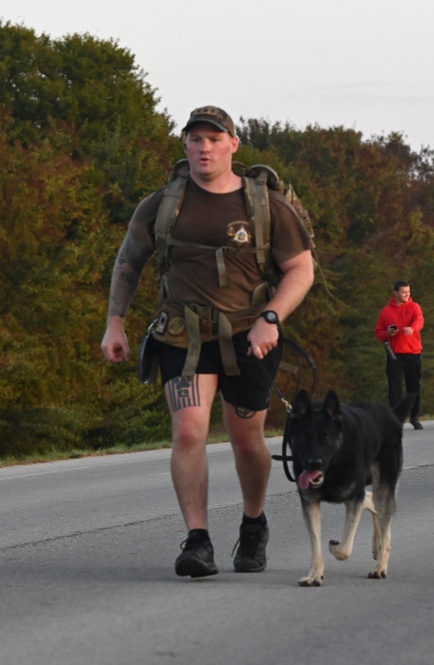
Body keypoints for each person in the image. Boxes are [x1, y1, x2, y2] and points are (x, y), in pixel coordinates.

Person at [100, 106, 315, 578]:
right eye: (196, 139)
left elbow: (302, 269)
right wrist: (115, 322)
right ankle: (197, 541)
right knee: (189, 431)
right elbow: (129, 262)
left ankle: (253, 524)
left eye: (215, 139)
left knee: (246, 439)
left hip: (249, 336)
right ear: (185, 146)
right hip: (183, 335)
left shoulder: (266, 205)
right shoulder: (162, 204)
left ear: (233, 145)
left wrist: (271, 318)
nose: (205, 148)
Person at [375, 280, 424, 429]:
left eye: (408, 292)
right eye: (403, 292)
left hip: (413, 352)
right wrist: (388, 333)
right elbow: (378, 332)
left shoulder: (414, 306)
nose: (407, 295)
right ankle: (396, 419)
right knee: (395, 387)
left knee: (413, 386)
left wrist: (413, 329)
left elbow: (420, 320)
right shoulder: (386, 311)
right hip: (395, 354)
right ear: (395, 293)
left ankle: (414, 416)